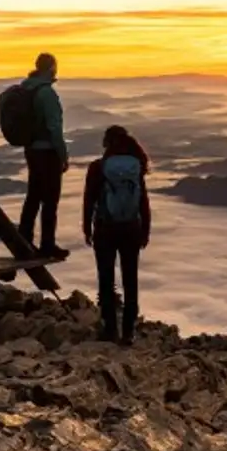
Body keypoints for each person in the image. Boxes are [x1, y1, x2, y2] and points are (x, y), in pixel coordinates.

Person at [82, 125, 151, 345]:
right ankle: (129, 332)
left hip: (105, 229)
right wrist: (145, 230)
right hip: (131, 228)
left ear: (107, 143)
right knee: (130, 280)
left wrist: (86, 227)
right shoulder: (135, 168)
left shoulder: (98, 168)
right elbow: (143, 201)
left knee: (106, 280)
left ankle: (110, 329)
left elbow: (89, 200)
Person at [18, 52, 70, 259]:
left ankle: (23, 240)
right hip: (47, 152)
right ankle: (47, 245)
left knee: (33, 196)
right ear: (51, 68)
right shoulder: (46, 93)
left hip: (31, 149)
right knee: (50, 200)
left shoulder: (26, 88)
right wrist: (63, 155)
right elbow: (54, 127)